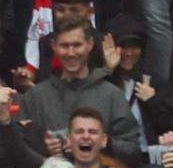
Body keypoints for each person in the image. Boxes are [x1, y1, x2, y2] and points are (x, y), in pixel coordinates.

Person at [23, 17, 138, 160]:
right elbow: (18, 149)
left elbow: (132, 148)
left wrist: (101, 142)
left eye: (77, 45)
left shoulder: (112, 95)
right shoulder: (36, 96)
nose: (71, 53)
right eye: (64, 46)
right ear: (53, 46)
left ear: (90, 44)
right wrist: (43, 146)